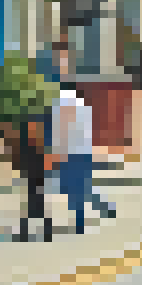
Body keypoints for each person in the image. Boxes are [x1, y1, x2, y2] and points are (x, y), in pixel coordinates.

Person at [51, 80, 115, 234]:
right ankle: (102, 206)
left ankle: (80, 221)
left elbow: (60, 133)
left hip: (71, 154)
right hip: (82, 153)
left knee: (74, 188)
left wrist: (58, 151)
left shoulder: (62, 108)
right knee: (78, 186)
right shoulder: (83, 108)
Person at [10, 105, 53, 242]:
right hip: (31, 168)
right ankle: (32, 230)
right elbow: (19, 153)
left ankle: (43, 230)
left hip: (38, 168)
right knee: (32, 199)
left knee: (37, 199)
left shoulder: (41, 139)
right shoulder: (27, 139)